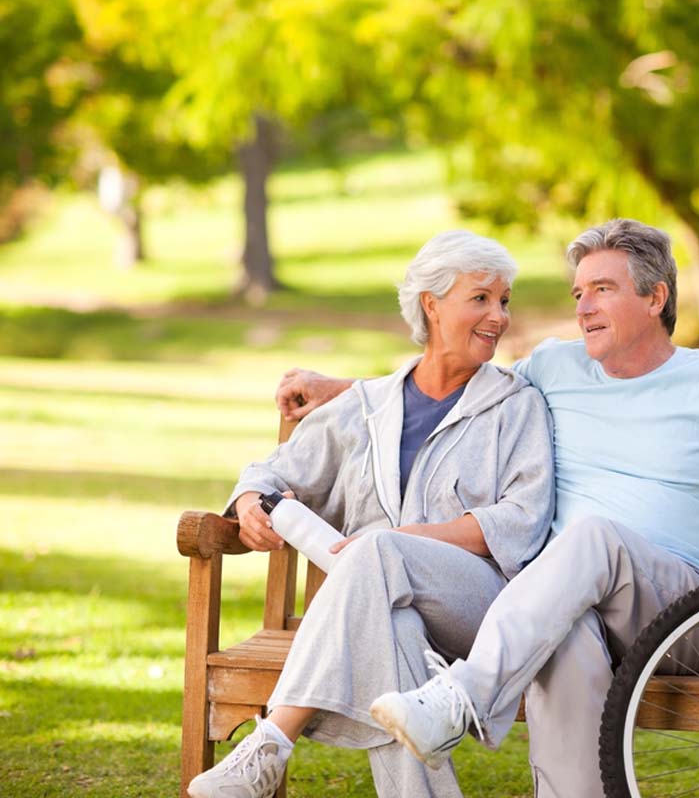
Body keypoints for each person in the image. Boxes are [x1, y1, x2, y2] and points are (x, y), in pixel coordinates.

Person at [277, 219, 699, 797]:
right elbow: (456, 378)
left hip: (679, 614)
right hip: (569, 604)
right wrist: (340, 387)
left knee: (592, 538)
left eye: (603, 289)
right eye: (579, 293)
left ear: (656, 296)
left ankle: (464, 697)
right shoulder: (557, 368)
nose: (584, 306)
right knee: (564, 631)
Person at [187, 230, 555, 798]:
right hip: (379, 612)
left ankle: (271, 743)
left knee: (381, 547)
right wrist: (246, 505)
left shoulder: (516, 404)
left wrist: (407, 542)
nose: (499, 316)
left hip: (481, 612)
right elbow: (270, 472)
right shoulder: (366, 408)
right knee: (392, 634)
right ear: (431, 304)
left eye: (503, 300)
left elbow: (521, 521)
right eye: (480, 298)